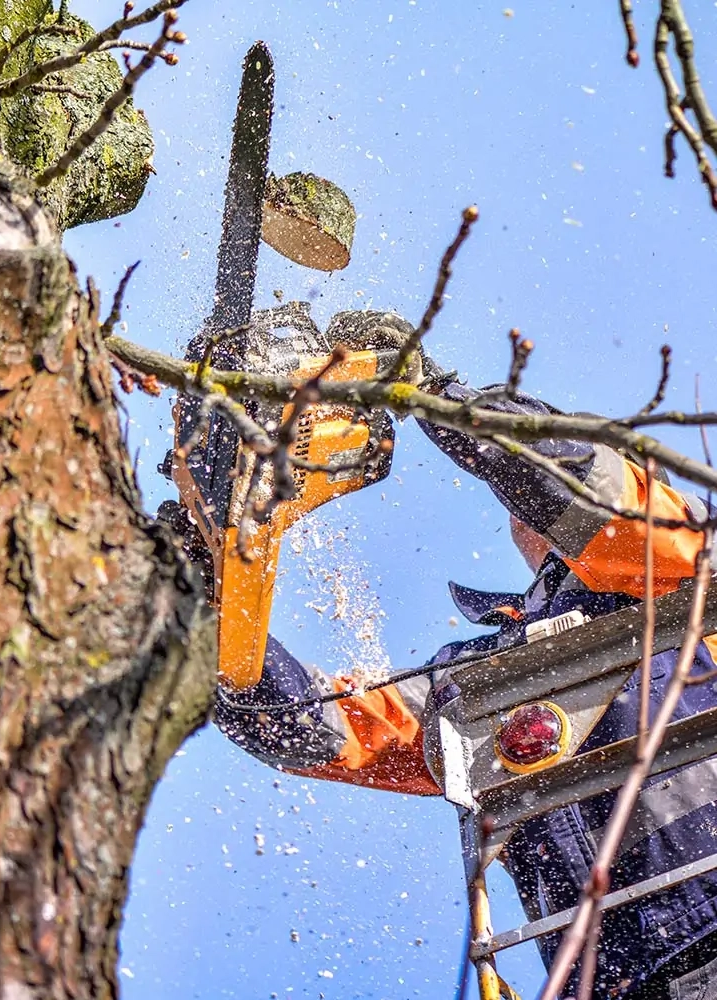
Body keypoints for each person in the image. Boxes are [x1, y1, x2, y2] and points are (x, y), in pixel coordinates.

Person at [211, 315, 717, 1000]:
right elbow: (308, 727)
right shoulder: (473, 682)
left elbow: (587, 489)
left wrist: (438, 398)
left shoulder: (691, 570)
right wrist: (206, 596)